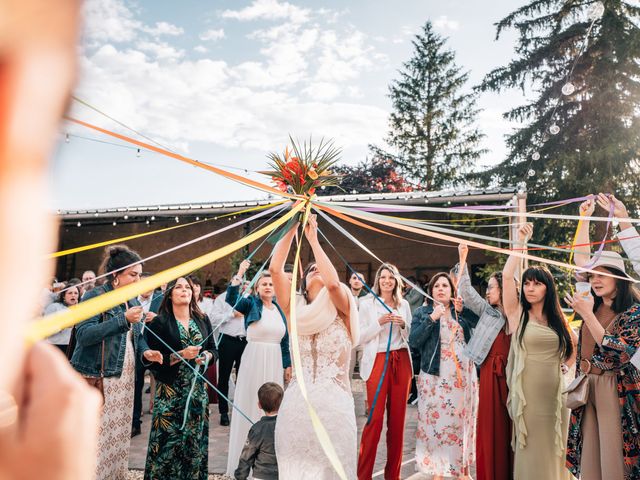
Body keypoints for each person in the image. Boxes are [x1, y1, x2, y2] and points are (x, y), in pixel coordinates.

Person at [270, 214, 360, 479]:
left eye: (319, 267)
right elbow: (276, 270)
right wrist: (293, 223)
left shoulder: (341, 306)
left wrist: (313, 238)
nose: (316, 270)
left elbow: (332, 283)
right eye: (310, 270)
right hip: (297, 406)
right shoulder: (292, 309)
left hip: (334, 407)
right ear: (302, 282)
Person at [70, 245, 163, 480]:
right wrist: (122, 319)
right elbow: (84, 335)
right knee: (97, 438)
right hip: (101, 376)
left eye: (139, 274)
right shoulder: (94, 296)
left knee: (118, 436)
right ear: (115, 275)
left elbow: (136, 337)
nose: (138, 279)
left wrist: (146, 352)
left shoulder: (131, 299)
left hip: (125, 377)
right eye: (133, 274)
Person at [565, 197, 640, 479]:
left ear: (619, 279)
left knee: (613, 455)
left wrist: (588, 316)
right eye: (592, 276)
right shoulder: (591, 301)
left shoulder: (634, 312)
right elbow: (581, 261)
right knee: (590, 455)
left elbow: (618, 353)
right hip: (587, 385)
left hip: (615, 388)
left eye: (602, 275)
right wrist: (584, 218)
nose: (594, 280)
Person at [502, 224, 576, 480]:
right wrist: (521, 242)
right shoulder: (517, 315)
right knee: (531, 449)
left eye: (537, 284)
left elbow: (574, 346)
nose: (530, 288)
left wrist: (568, 366)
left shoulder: (558, 321)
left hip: (557, 397)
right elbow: (506, 275)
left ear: (548, 288)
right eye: (527, 284)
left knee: (557, 450)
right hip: (528, 399)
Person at [143, 276, 218, 480]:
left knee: (193, 444)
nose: (184, 290)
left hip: (196, 394)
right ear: (169, 295)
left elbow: (213, 349)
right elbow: (153, 361)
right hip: (169, 393)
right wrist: (181, 355)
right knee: (166, 445)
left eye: (187, 287)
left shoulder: (202, 319)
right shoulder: (159, 323)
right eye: (178, 287)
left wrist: (207, 357)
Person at [409, 272, 479, 479]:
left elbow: (480, 324)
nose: (441, 289)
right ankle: (438, 469)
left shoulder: (461, 311)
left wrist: (463, 311)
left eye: (445, 286)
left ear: (452, 291)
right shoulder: (423, 312)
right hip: (434, 377)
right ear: (431, 291)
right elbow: (414, 341)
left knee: (460, 422)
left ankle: (460, 469)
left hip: (462, 376)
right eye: (437, 286)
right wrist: (432, 319)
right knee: (435, 423)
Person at [225, 262, 291, 476]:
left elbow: (284, 341)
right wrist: (240, 273)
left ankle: (269, 458)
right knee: (252, 401)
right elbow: (232, 300)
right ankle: (245, 458)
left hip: (273, 359)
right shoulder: (251, 304)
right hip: (254, 357)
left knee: (275, 406)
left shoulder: (279, 309)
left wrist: (286, 364)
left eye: (271, 283)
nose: (268, 287)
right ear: (257, 288)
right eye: (264, 284)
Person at [457, 244, 513, 480]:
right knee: (490, 425)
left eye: (491, 287)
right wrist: (463, 259)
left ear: (504, 288)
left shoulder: (517, 313)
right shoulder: (487, 312)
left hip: (512, 374)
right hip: (490, 372)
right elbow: (466, 291)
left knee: (510, 426)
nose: (488, 291)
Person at [357, 263, 413, 480]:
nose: (387, 281)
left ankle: (393, 475)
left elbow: (409, 335)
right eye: (383, 277)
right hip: (377, 361)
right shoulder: (366, 303)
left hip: (401, 362)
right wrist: (379, 322)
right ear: (378, 280)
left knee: (398, 423)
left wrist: (402, 325)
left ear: (396, 281)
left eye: (391, 277)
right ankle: (364, 476)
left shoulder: (404, 304)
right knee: (374, 420)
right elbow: (360, 336)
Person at [212, 273, 247, 426]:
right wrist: (232, 314)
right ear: (232, 282)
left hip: (245, 342)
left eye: (242, 281)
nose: (239, 283)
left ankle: (240, 410)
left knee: (243, 377)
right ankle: (223, 412)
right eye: (236, 280)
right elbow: (213, 319)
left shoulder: (248, 299)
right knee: (224, 377)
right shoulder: (221, 299)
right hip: (227, 341)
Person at [235, 382, 284, 480]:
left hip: (262, 476)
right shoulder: (287, 425)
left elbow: (246, 456)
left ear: (259, 405)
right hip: (284, 474)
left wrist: (240, 476)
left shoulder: (257, 429)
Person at [132, 273, 159, 437]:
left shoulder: (160, 301)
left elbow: (170, 320)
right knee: (137, 385)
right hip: (136, 350)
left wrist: (157, 318)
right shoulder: (131, 301)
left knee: (160, 385)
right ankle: (135, 423)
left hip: (156, 350)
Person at [44, 283, 81, 353]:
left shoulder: (80, 308)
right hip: (55, 346)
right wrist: (63, 325)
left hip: (73, 347)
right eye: (70, 293)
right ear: (64, 296)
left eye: (76, 293)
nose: (73, 295)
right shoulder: (54, 307)